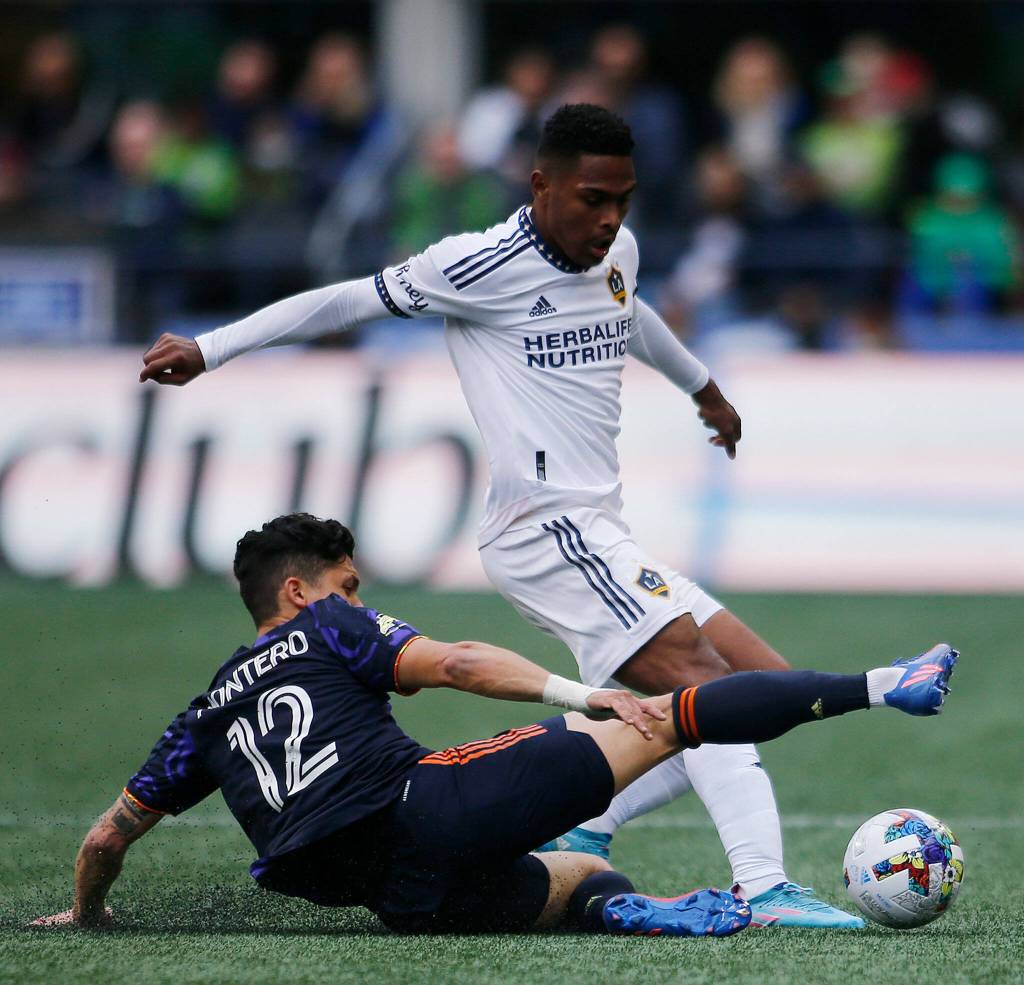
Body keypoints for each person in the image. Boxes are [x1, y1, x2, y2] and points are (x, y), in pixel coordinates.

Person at [139, 104, 872, 927]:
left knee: (757, 686)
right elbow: (343, 302)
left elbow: (631, 312)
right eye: (593, 198)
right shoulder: (476, 264)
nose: (609, 218)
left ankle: (594, 824)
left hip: (601, 529)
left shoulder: (615, 252)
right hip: (544, 531)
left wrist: (703, 387)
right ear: (540, 184)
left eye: (623, 200)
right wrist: (212, 347)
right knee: (700, 683)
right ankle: (764, 886)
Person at [31, 514, 957, 935]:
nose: (362, 599)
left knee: (584, 871)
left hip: (382, 896)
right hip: (429, 809)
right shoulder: (326, 622)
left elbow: (109, 834)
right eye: (350, 585)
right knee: (668, 712)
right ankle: (888, 681)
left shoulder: (204, 713)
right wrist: (580, 693)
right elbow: (459, 662)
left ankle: (633, 910)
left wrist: (86, 908)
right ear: (298, 590)